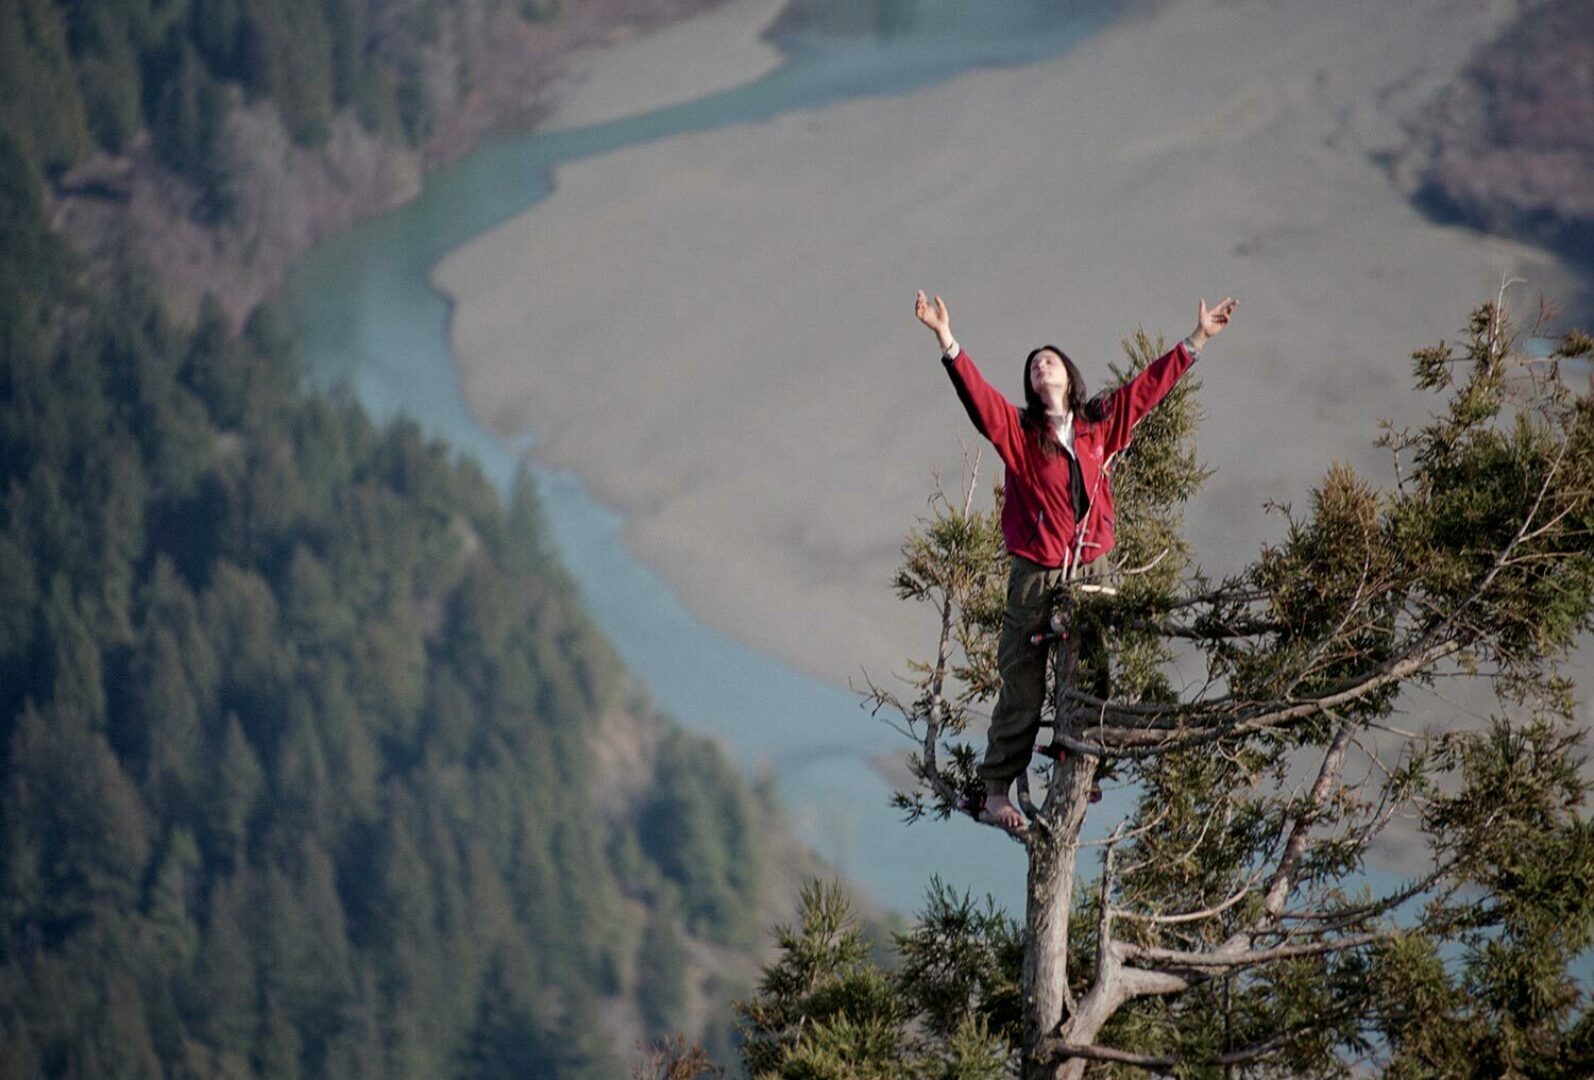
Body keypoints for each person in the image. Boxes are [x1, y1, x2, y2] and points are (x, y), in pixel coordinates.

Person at [913, 289, 1237, 834]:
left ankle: (1080, 774)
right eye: (1034, 366)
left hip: (1092, 569)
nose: (1042, 366)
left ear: (1068, 375)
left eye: (1051, 360)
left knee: (1092, 675)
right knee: (1021, 681)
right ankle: (996, 792)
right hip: (1035, 572)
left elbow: (1145, 391)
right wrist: (946, 338)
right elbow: (980, 402)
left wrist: (1197, 339)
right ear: (1032, 385)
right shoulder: (1020, 434)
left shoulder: (1099, 422)